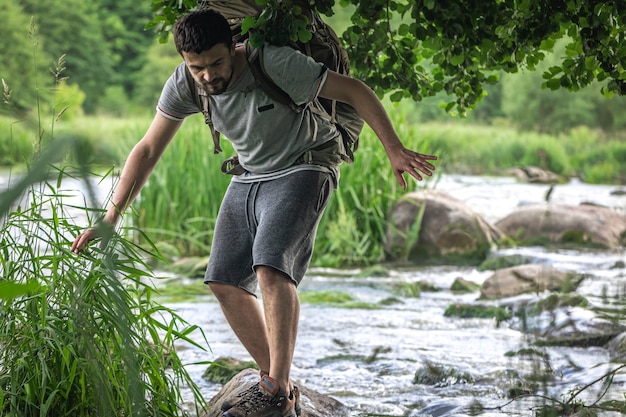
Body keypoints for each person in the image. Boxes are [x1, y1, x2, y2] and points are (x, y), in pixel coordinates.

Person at [71, 8, 438, 417]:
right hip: (249, 175)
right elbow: (147, 149)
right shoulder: (184, 83)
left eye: (216, 63)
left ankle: (276, 389)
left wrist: (394, 149)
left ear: (233, 47)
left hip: (305, 164)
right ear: (184, 62)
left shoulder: (273, 63)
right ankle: (276, 382)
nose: (208, 76)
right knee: (223, 279)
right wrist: (111, 217)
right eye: (197, 68)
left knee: (270, 267)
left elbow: (354, 91)